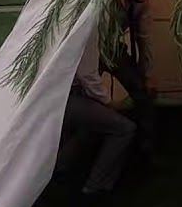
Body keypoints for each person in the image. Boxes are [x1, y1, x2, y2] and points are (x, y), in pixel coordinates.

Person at [58, 51, 136, 195]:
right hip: (68, 98)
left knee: (90, 127)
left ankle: (59, 168)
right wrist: (109, 101)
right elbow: (87, 75)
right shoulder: (88, 31)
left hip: (55, 95)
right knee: (125, 128)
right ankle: (96, 185)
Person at [105, 0, 157, 157]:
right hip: (94, 48)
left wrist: (148, 75)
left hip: (114, 49)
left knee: (142, 91)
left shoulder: (142, 2)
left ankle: (146, 147)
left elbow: (145, 38)